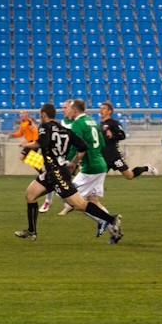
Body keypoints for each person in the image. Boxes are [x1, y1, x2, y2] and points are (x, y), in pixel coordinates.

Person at [15, 103, 123, 243]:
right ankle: (31, 231)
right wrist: (74, 161)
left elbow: (43, 141)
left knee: (79, 205)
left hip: (57, 173)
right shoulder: (65, 129)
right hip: (54, 172)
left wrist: (27, 145)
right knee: (30, 194)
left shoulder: (45, 127)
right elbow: (83, 146)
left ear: (44, 115)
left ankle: (111, 219)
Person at [66, 99, 116, 240]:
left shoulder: (77, 124)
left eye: (69, 109)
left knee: (69, 198)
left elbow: (75, 146)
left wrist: (69, 162)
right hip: (100, 164)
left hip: (91, 168)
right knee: (92, 201)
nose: (67, 112)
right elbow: (100, 144)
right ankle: (115, 231)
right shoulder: (92, 121)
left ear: (75, 110)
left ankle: (103, 220)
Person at [100, 102, 158, 179]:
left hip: (114, 156)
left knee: (129, 175)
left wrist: (113, 136)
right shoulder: (100, 124)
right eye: (100, 108)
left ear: (109, 111)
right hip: (103, 156)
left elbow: (122, 135)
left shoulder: (114, 123)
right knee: (98, 177)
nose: (101, 110)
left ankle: (146, 168)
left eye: (103, 108)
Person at [40, 100, 75, 214]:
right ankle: (48, 201)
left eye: (65, 108)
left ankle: (73, 203)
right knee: (50, 177)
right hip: (60, 159)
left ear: (72, 109)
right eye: (62, 107)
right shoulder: (63, 122)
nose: (63, 110)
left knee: (65, 187)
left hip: (70, 160)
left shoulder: (76, 124)